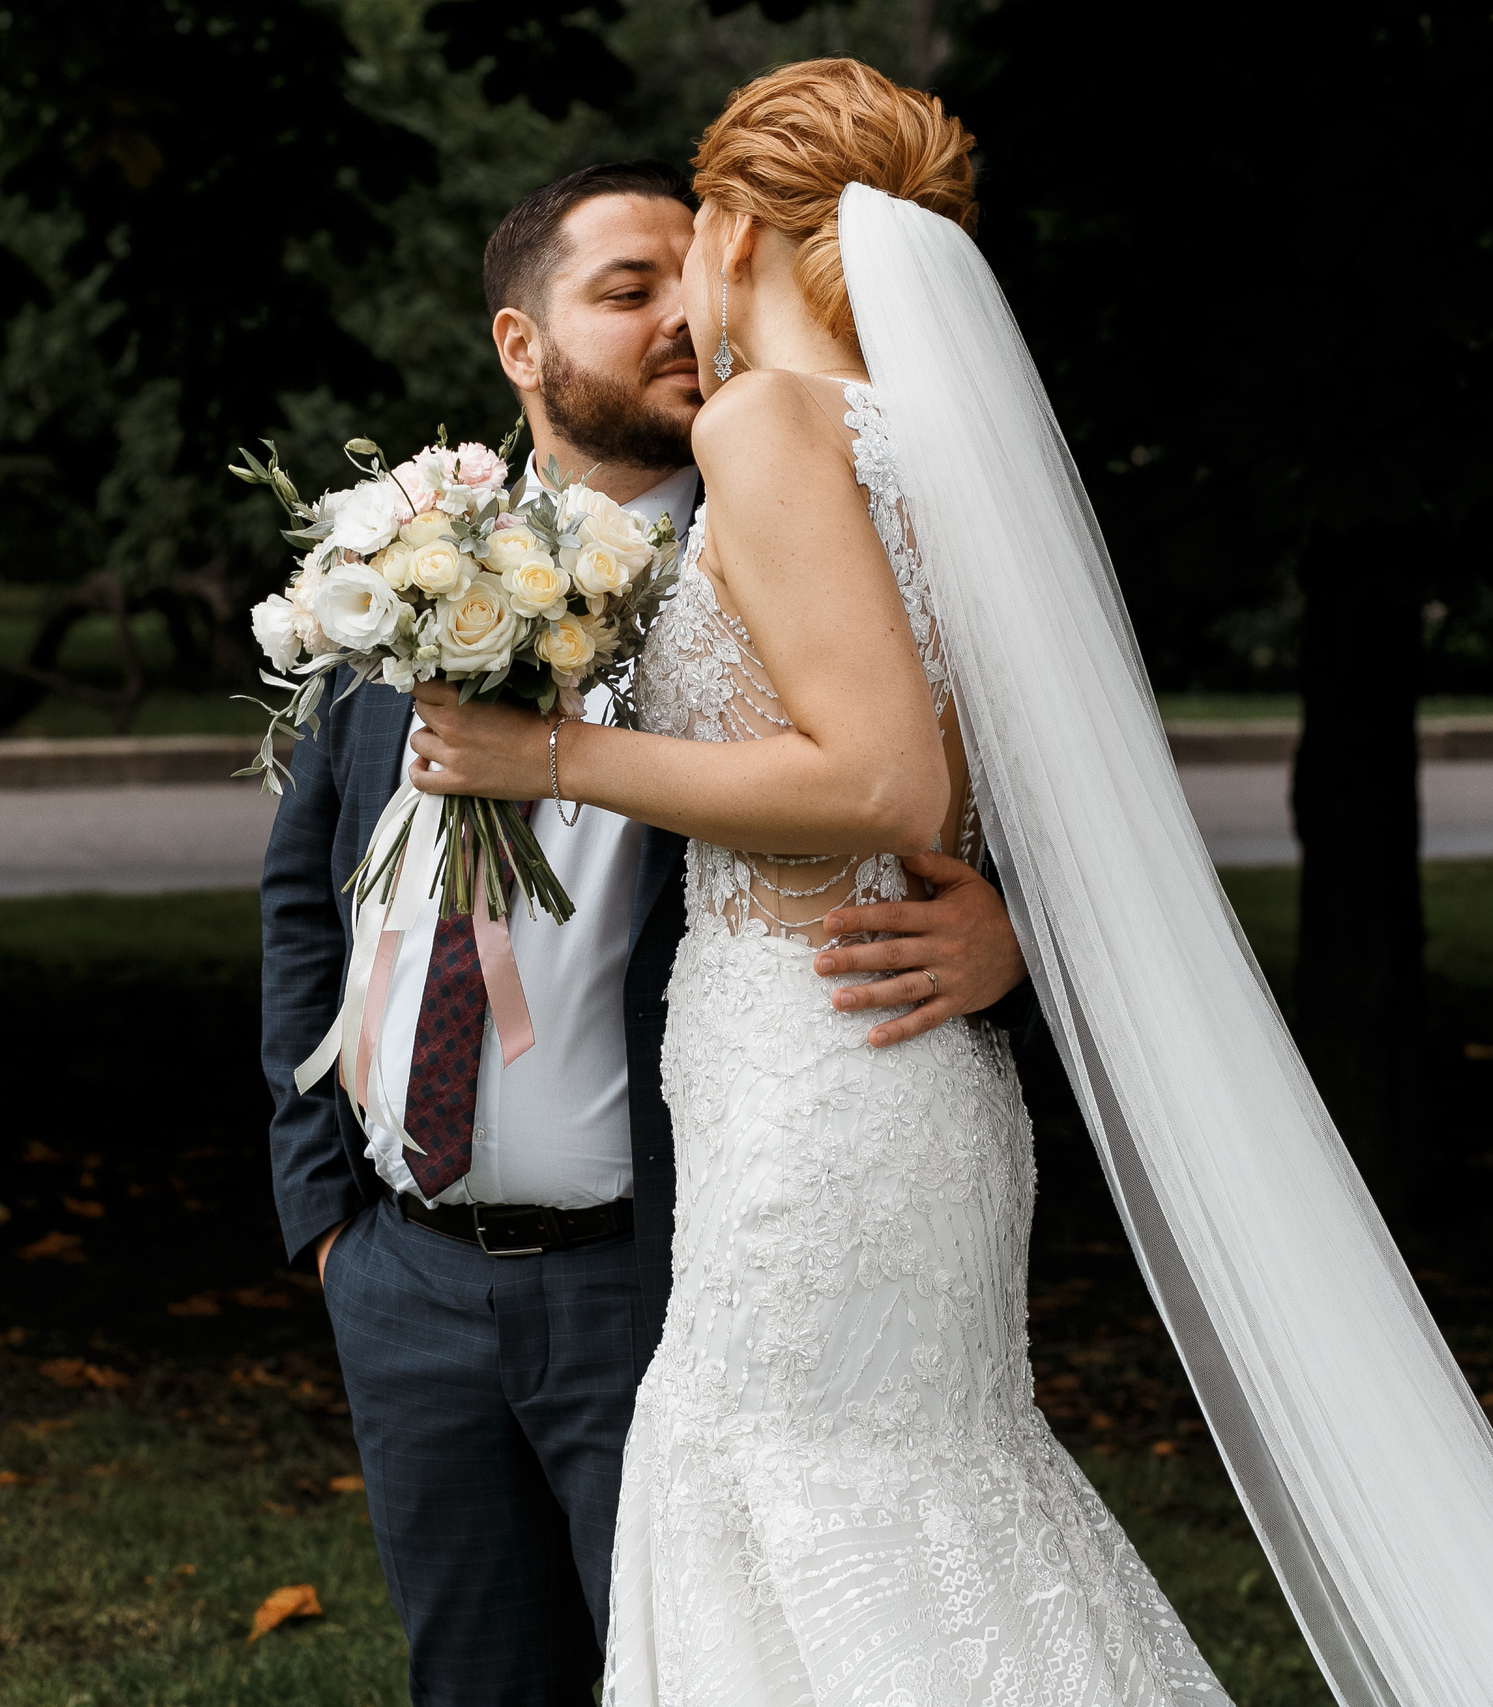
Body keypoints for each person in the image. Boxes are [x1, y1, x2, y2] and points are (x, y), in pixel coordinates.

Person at [405, 59, 1493, 1707]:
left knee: (795, 1505)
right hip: (894, 1072)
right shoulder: (933, 456)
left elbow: (882, 780)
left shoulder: (772, 423)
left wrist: (540, 761)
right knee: (908, 1511)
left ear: (726, 228)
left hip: (818, 1074)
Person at [259, 158, 1034, 1707]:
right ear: (517, 346)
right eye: (625, 292)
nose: (683, 314)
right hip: (403, 1272)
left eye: (692, 278)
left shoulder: (782, 554)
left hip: (656, 1272)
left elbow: (964, 785)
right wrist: (326, 1220)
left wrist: (1011, 939)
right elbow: (305, 896)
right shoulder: (397, 561)